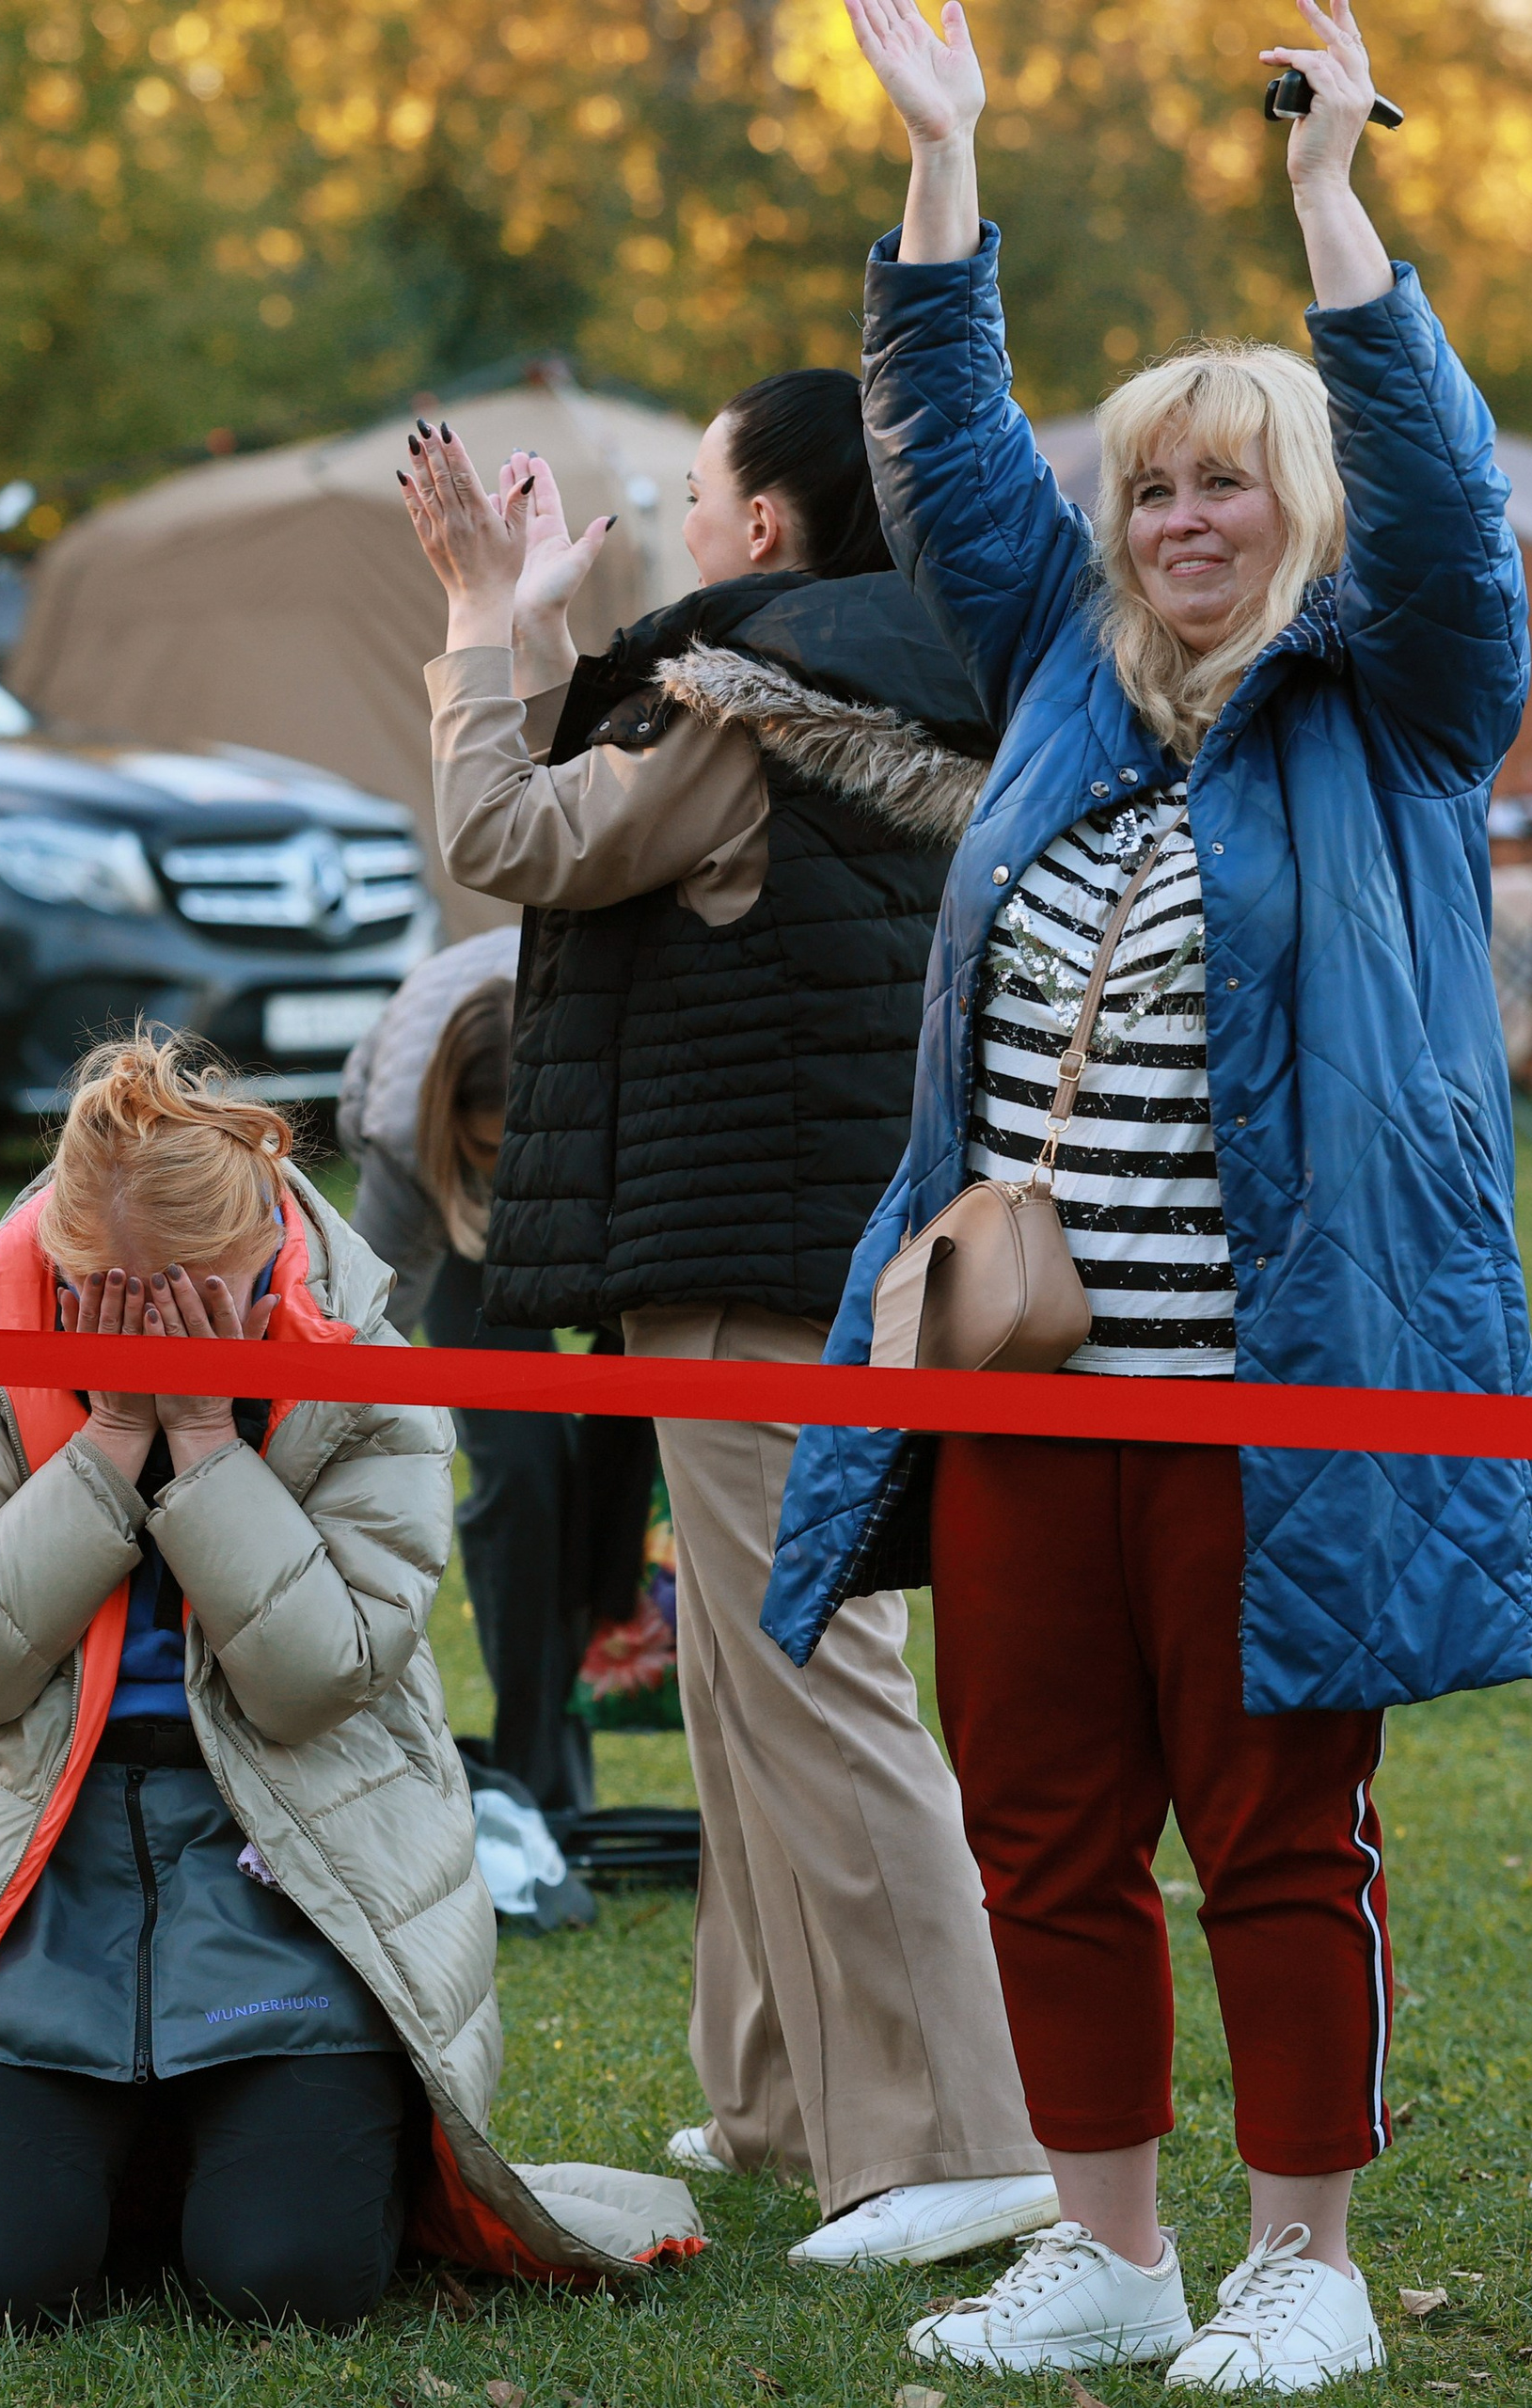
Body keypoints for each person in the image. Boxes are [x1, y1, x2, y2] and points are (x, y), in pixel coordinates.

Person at [765, 0, 1530, 2385]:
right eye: (1151, 491)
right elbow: (940, 453)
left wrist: (1326, 216)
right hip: (1024, 1393)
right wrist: (942, 156)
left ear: (1291, 511)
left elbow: (1439, 505)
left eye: (1223, 487)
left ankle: (1301, 2258)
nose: (1178, 522)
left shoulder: (1400, 691)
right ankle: (1104, 2238)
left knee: (1279, 1837)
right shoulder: (1064, 681)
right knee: (1040, 1820)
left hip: (1270, 1404)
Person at [0, 1033, 699, 2323]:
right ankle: (122, 2140)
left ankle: (222, 2138)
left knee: (289, 2278)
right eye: (109, 1301)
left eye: (197, 1298)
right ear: (65, 1276)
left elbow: (314, 1683)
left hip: (286, 1848)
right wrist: (109, 1441)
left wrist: (201, 1443)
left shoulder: (366, 1365)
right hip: (42, 1851)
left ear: (264, 1263)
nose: (151, 1326)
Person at [401, 373, 1056, 2263]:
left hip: (757, 1262)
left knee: (812, 1690)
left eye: (694, 491)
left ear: (763, 526)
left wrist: (467, 614)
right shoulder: (862, 676)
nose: (679, 523)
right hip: (798, 1244)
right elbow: (591, 831)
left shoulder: (747, 702)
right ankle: (779, 2090)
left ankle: (958, 2135)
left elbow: (511, 840)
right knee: (735, 1683)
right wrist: (532, 616)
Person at [340, 927, 653, 1820]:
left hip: (605, 1174)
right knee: (522, 1475)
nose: (509, 1178)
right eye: (492, 1154)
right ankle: (533, 1780)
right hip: (446, 1194)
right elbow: (373, 1328)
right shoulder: (407, 1140)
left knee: (614, 1477)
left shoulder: (617, 1078)